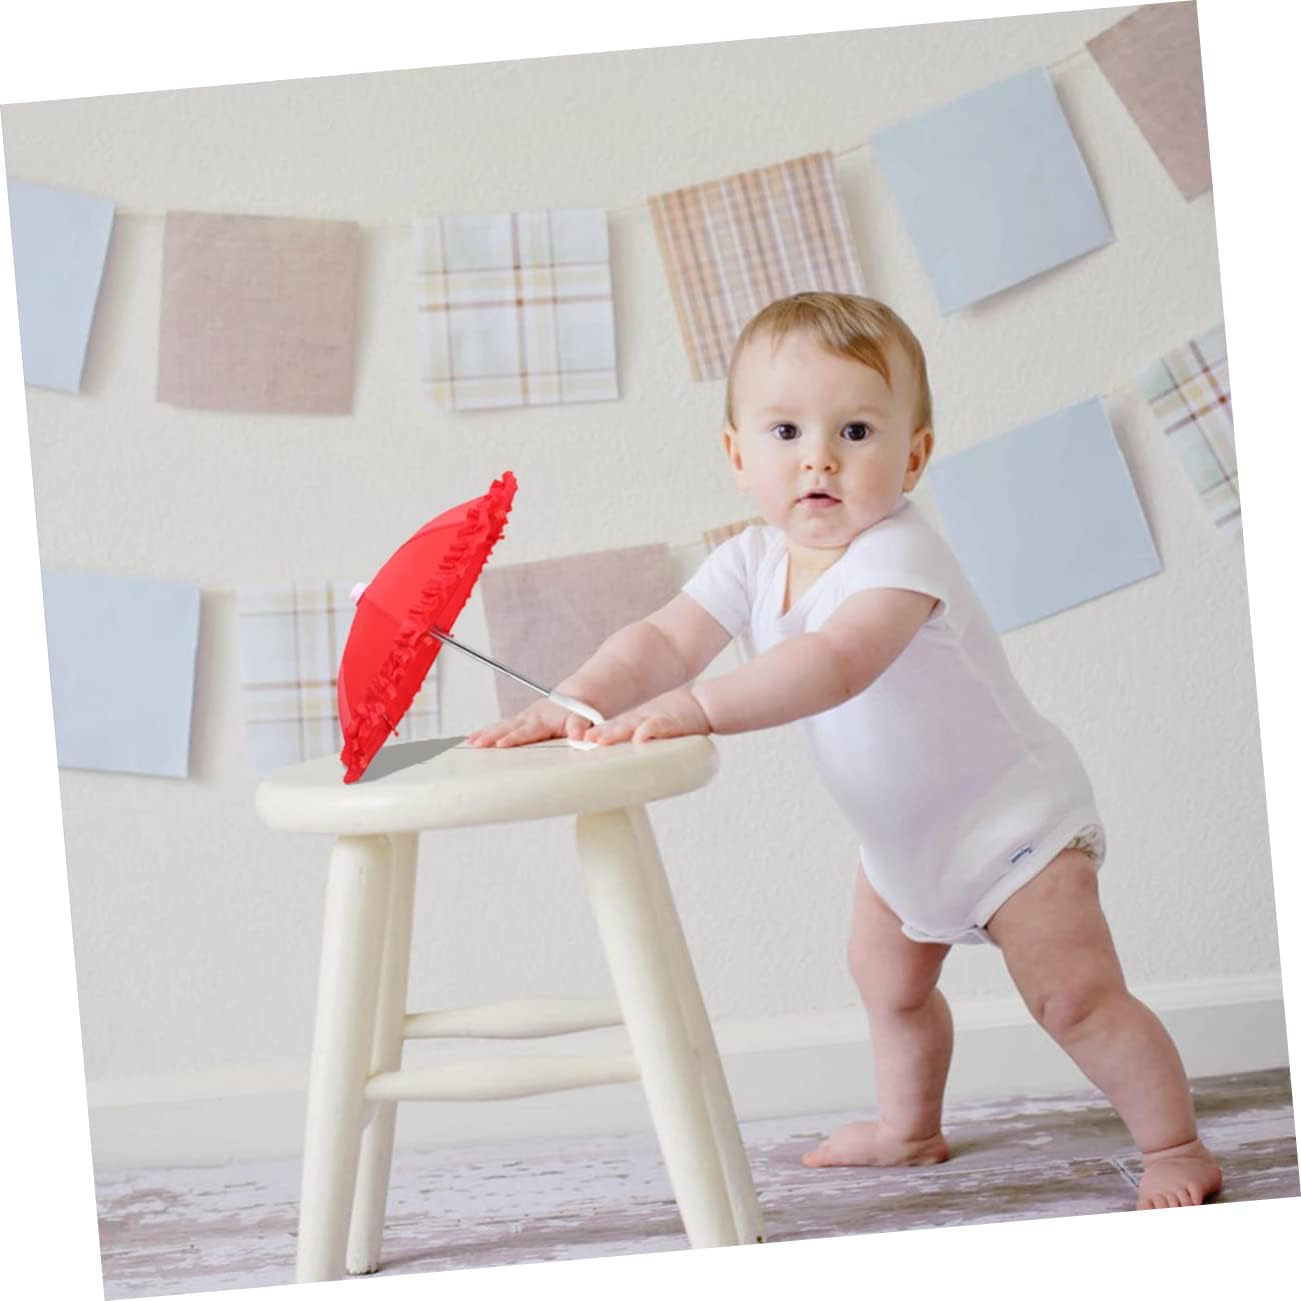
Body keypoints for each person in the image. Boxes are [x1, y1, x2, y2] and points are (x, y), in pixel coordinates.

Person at [466, 291, 1222, 1211]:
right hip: (901, 842)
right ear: (736, 454)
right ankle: (908, 1128)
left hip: (1015, 825)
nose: (818, 457)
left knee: (1073, 998)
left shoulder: (899, 556)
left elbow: (834, 662)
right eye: (785, 431)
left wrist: (697, 707)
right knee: (887, 987)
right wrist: (574, 700)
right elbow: (660, 640)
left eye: (855, 430)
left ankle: (1173, 1142)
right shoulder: (749, 561)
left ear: (914, 455)